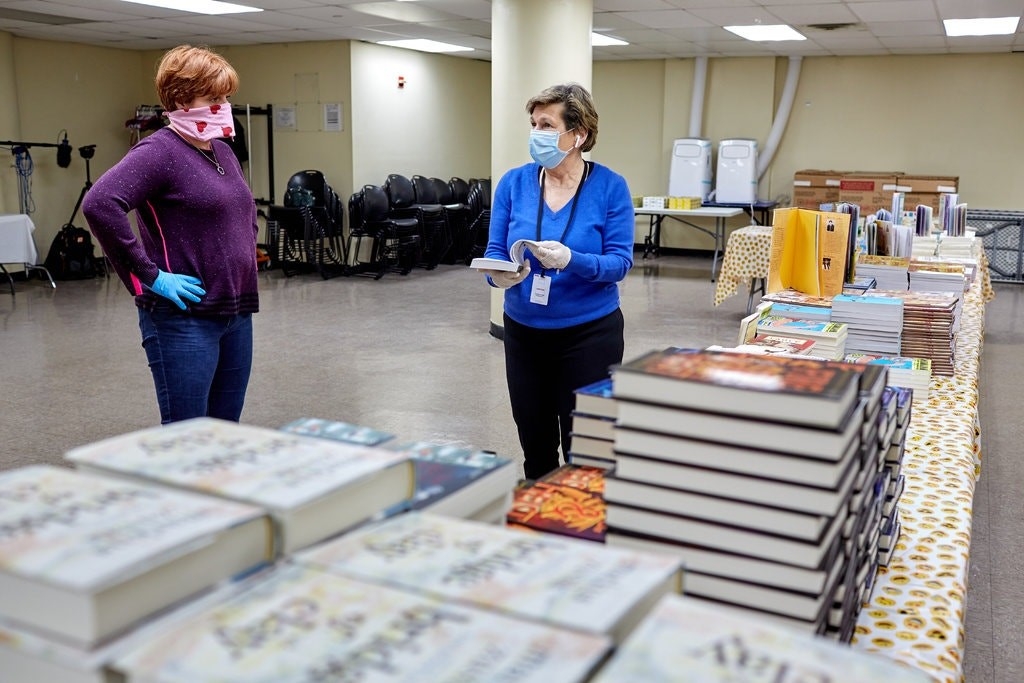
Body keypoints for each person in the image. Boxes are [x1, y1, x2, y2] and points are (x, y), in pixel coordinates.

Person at [83, 45, 259, 425]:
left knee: (226, 432)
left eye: (226, 97)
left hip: (235, 312)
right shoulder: (158, 152)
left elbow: (242, 213)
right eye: (214, 98)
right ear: (181, 98)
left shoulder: (222, 151)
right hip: (184, 318)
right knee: (187, 437)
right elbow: (100, 204)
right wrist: (150, 276)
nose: (224, 105)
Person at [480, 83, 634, 480]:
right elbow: (496, 248)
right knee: (536, 445)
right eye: (533, 124)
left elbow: (619, 263)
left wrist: (573, 259)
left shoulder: (610, 187)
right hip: (524, 333)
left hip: (589, 335)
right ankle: (541, 529)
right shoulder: (514, 183)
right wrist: (498, 275)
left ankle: (585, 527)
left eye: (546, 125)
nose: (536, 133)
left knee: (587, 450)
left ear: (578, 134)